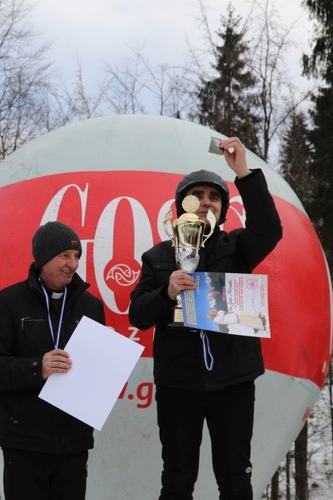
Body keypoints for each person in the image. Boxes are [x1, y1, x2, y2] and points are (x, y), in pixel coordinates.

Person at [129, 137, 283, 500]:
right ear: (180, 206)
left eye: (214, 197)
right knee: (178, 477)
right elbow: (138, 314)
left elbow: (270, 231)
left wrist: (243, 172)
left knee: (235, 477)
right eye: (196, 195)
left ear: (223, 210)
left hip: (233, 382)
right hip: (177, 384)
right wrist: (166, 293)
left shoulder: (237, 248)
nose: (205, 202)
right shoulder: (157, 257)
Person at [0, 221, 106, 500]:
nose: (73, 264)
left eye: (77, 256)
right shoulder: (7, 303)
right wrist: (37, 367)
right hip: (25, 441)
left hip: (74, 443)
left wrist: (108, 366)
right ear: (43, 257)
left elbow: (92, 372)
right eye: (64, 256)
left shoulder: (91, 306)